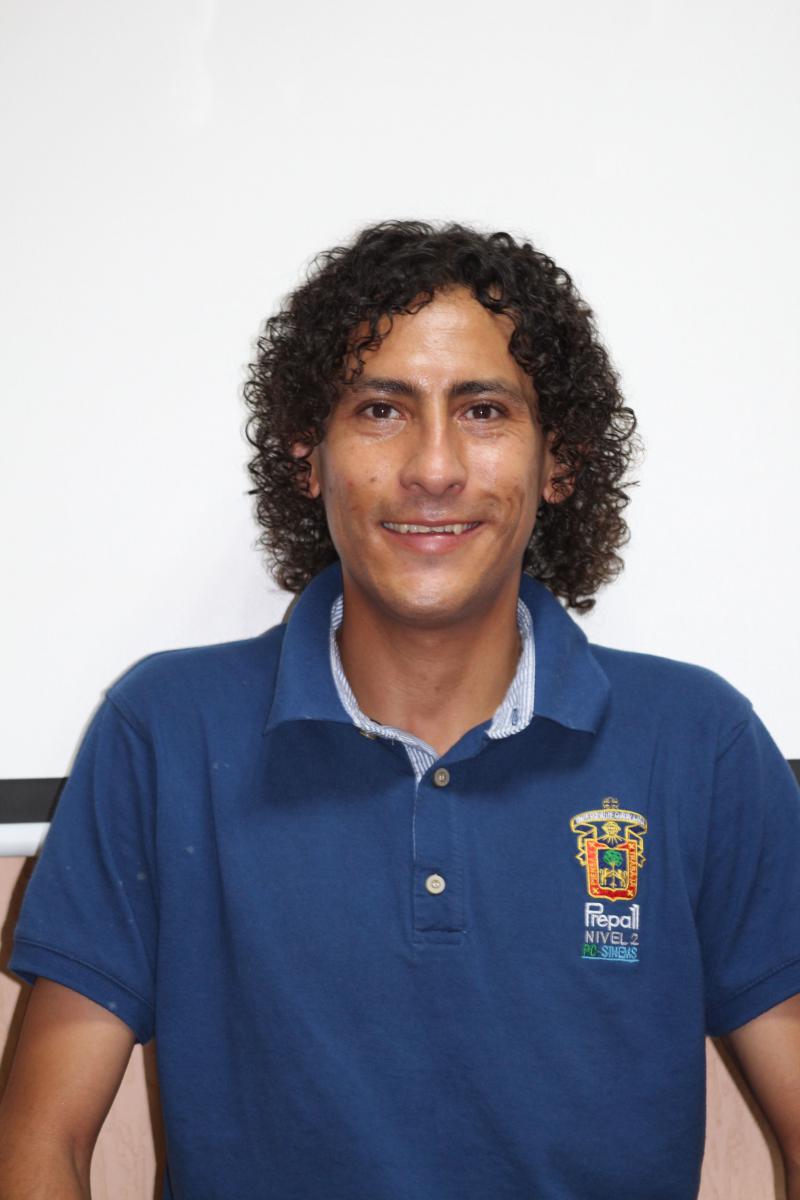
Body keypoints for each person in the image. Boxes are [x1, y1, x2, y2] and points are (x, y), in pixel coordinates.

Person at [1, 219, 798, 1200]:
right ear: (308, 454)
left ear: (557, 461)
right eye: (381, 409)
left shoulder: (698, 742)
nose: (432, 468)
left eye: (483, 410)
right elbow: (38, 1143)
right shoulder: (164, 732)